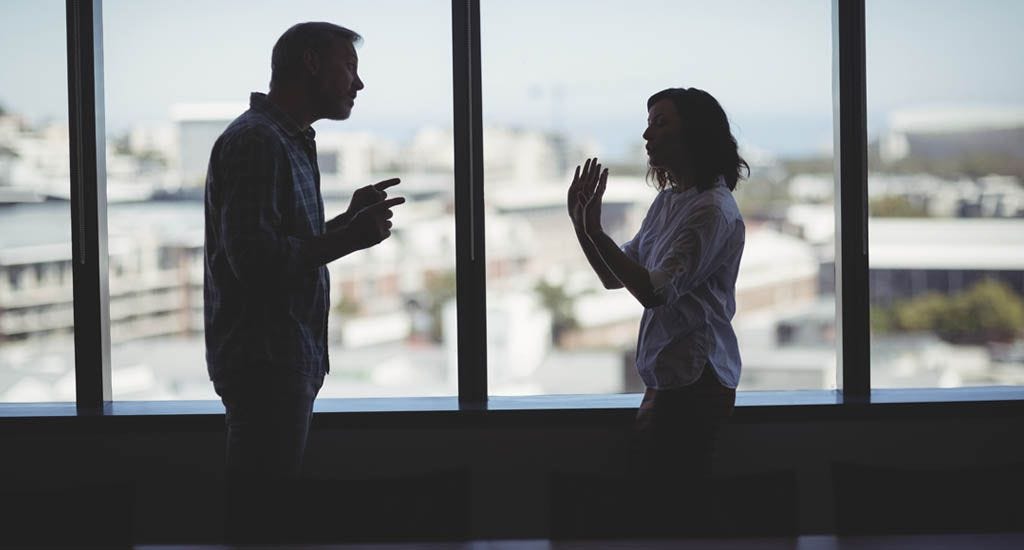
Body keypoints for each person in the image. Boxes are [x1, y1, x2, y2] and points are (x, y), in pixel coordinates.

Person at [203, 22, 403, 539]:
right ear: (311, 63)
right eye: (350, 68)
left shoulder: (281, 139)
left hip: (278, 359)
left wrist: (344, 223)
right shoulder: (258, 142)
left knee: (265, 512)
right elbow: (256, 262)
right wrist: (350, 239)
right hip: (267, 360)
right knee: (261, 521)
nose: (358, 85)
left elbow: (282, 244)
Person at [567, 87, 748, 533]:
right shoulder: (672, 200)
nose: (647, 134)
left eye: (660, 123)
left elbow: (653, 292)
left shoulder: (712, 210)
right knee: (664, 506)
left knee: (669, 510)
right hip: (673, 377)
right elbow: (616, 276)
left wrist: (595, 231)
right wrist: (583, 229)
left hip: (694, 379)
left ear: (695, 133)